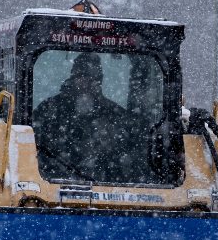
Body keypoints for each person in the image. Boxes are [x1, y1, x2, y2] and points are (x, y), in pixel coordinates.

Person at [33, 53, 153, 183]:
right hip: (52, 182)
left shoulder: (115, 115)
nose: (86, 83)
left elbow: (131, 157)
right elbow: (33, 147)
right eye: (81, 76)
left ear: (99, 81)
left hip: (108, 185)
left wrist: (109, 146)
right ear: (73, 77)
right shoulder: (49, 110)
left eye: (92, 78)